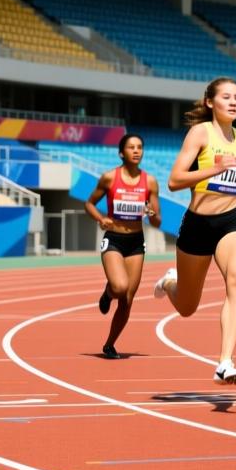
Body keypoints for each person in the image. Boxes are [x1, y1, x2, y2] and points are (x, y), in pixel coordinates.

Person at [153, 77, 236, 385]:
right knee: (187, 307)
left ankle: (225, 361)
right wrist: (213, 170)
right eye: (226, 97)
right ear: (210, 102)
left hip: (231, 222)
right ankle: (171, 281)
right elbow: (174, 180)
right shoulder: (200, 133)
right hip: (197, 224)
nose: (233, 102)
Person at [84, 133, 162, 359]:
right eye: (131, 147)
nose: (136, 151)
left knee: (127, 300)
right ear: (121, 153)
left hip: (136, 242)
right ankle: (108, 294)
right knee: (119, 287)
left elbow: (157, 221)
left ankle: (109, 345)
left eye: (140, 147)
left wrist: (151, 213)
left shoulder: (149, 182)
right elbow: (89, 203)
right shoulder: (109, 178)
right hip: (114, 240)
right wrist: (100, 218)